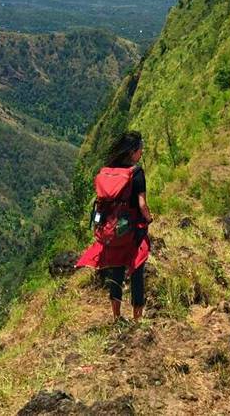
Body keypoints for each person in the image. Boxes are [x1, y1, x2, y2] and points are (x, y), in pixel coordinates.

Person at [75, 130, 153, 322]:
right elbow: (142, 205)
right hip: (133, 230)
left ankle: (117, 316)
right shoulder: (136, 173)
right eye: (140, 149)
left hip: (112, 230)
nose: (141, 153)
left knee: (116, 270)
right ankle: (137, 318)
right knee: (136, 270)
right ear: (133, 151)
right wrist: (149, 218)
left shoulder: (108, 170)